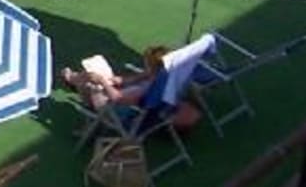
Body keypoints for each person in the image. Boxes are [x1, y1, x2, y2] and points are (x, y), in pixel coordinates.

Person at [62, 46, 203, 131]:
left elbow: (116, 98)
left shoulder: (148, 90)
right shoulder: (167, 78)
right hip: (138, 107)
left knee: (89, 81)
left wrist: (102, 82)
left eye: (147, 65)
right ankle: (74, 79)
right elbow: (135, 79)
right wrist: (120, 80)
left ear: (153, 68)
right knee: (94, 77)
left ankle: (73, 80)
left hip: (124, 116)